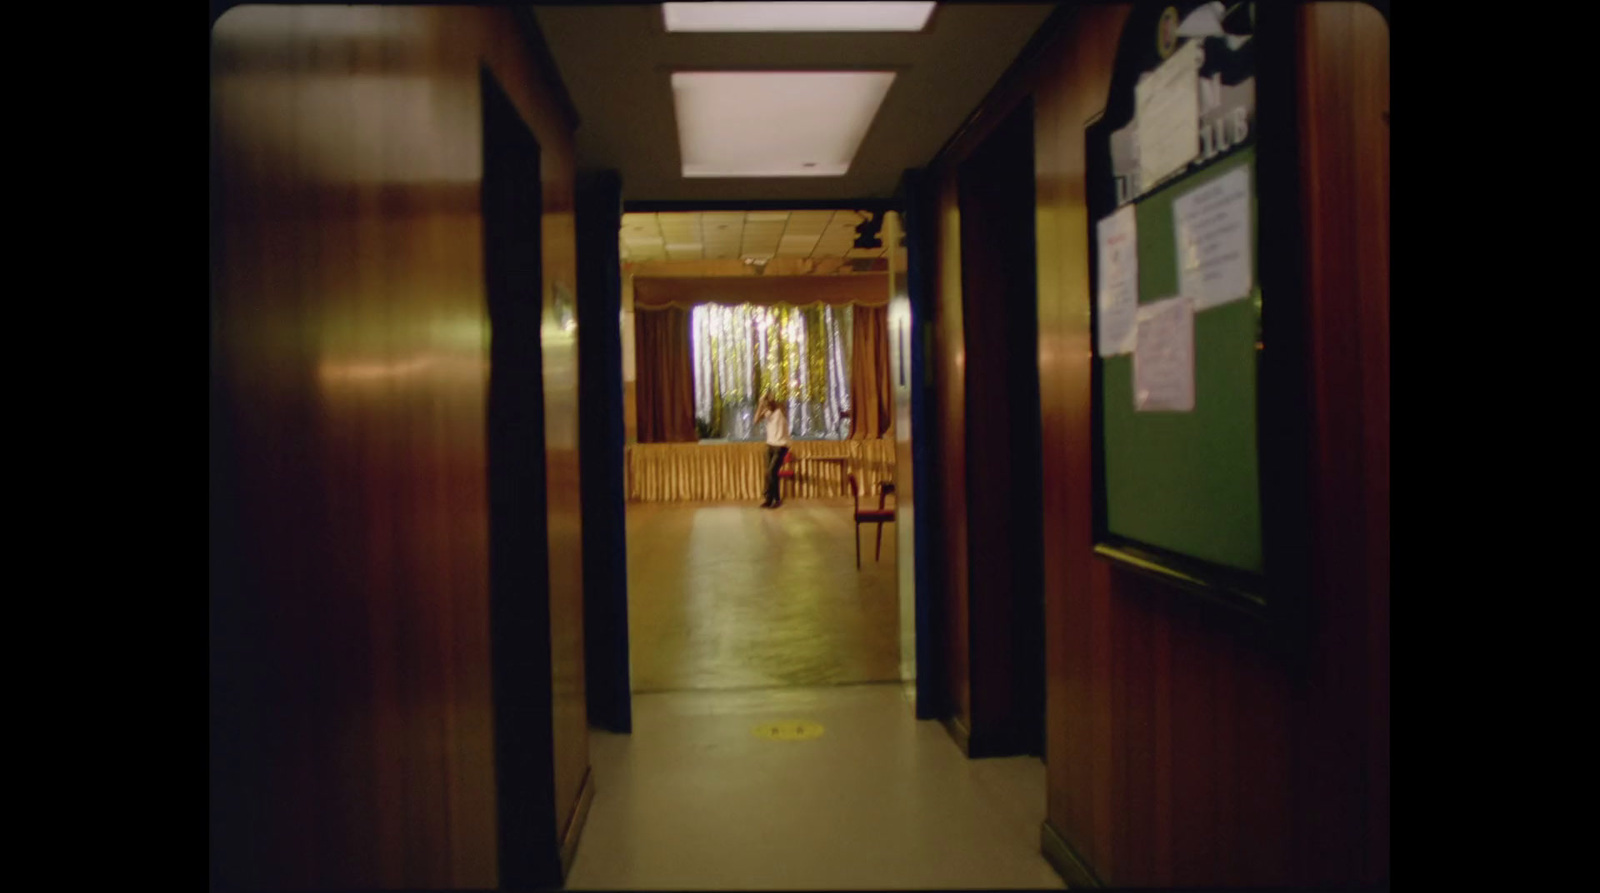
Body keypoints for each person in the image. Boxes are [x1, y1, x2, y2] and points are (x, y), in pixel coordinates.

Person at [753, 393, 790, 508]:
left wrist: (769, 401)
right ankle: (769, 499)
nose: (766, 402)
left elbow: (779, 406)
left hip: (781, 445)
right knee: (769, 473)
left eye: (768, 399)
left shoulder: (780, 409)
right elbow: (755, 421)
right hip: (770, 445)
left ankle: (777, 499)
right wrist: (760, 404)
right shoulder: (767, 412)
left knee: (771, 472)